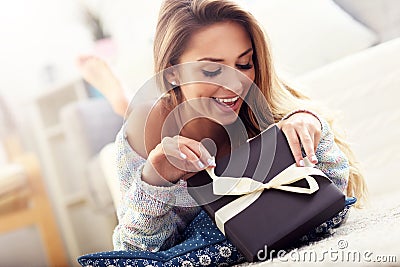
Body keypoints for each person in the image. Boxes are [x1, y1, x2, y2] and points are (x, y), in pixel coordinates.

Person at [78, 0, 366, 254]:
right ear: (174, 73)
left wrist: (312, 125)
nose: (236, 84)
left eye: (243, 64)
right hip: (156, 114)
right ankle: (120, 97)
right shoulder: (144, 130)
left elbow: (335, 197)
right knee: (132, 109)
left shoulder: (265, 104)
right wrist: (154, 178)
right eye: (212, 69)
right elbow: (134, 251)